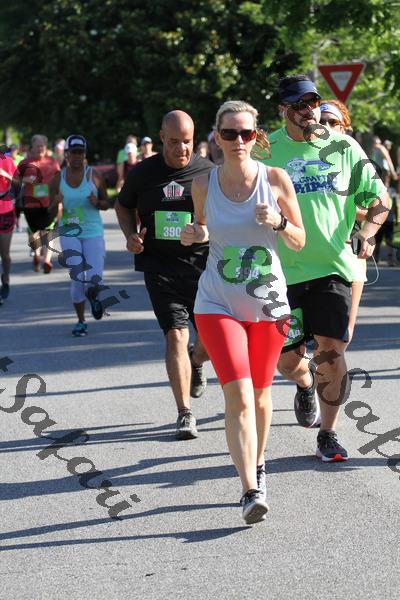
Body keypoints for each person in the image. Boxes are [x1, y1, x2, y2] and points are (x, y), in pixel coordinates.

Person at [181, 100, 305, 523]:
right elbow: (202, 228)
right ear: (217, 137)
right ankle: (250, 489)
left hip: (269, 304)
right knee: (237, 394)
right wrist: (194, 234)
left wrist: (279, 222)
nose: (238, 140)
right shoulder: (204, 184)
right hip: (217, 302)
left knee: (261, 395)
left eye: (246, 133)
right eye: (230, 133)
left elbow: (299, 241)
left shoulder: (275, 180)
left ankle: (259, 462)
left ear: (256, 137)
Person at [262, 74, 390, 462]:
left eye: (313, 103)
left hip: (332, 268)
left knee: (331, 351)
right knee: (288, 361)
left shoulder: (343, 146)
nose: (308, 111)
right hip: (280, 274)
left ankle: (328, 434)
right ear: (283, 110)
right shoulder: (265, 149)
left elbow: (380, 199)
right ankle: (304, 384)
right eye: (299, 105)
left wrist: (367, 232)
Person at [115, 110, 213, 441]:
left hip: (203, 268)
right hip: (159, 267)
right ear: (161, 138)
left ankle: (196, 360)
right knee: (175, 335)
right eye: (174, 142)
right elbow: (123, 205)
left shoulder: (208, 172)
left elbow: (226, 215)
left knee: (209, 342)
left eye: (187, 142)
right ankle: (185, 412)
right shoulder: (143, 173)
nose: (181, 149)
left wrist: (205, 231)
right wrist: (131, 235)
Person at [49, 135, 109, 336]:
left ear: (85, 154)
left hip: (93, 232)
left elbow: (106, 203)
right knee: (77, 276)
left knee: (95, 279)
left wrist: (97, 202)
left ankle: (94, 296)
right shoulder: (57, 179)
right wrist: (55, 202)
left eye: (80, 152)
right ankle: (81, 321)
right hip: (69, 232)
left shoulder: (95, 175)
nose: (76, 156)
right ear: (66, 154)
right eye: (73, 152)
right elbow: (49, 213)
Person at [319, 100, 367, 340]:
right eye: (321, 121)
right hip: (304, 257)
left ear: (344, 128)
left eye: (333, 122)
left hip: (348, 251)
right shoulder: (299, 160)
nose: (326, 126)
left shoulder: (354, 158)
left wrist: (366, 233)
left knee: (342, 334)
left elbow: (373, 208)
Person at [14, 135, 61, 273]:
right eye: (38, 146)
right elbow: (15, 180)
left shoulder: (52, 162)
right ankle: (36, 254)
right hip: (31, 205)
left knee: (48, 231)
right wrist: (26, 179)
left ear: (46, 147)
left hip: (49, 204)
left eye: (42, 146)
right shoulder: (25, 163)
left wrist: (60, 200)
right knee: (34, 233)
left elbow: (59, 180)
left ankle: (46, 260)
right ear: (32, 147)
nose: (40, 148)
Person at [0, 150, 17, 304]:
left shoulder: (6, 160)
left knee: (5, 255)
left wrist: (4, 173)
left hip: (5, 212)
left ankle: (5, 278)